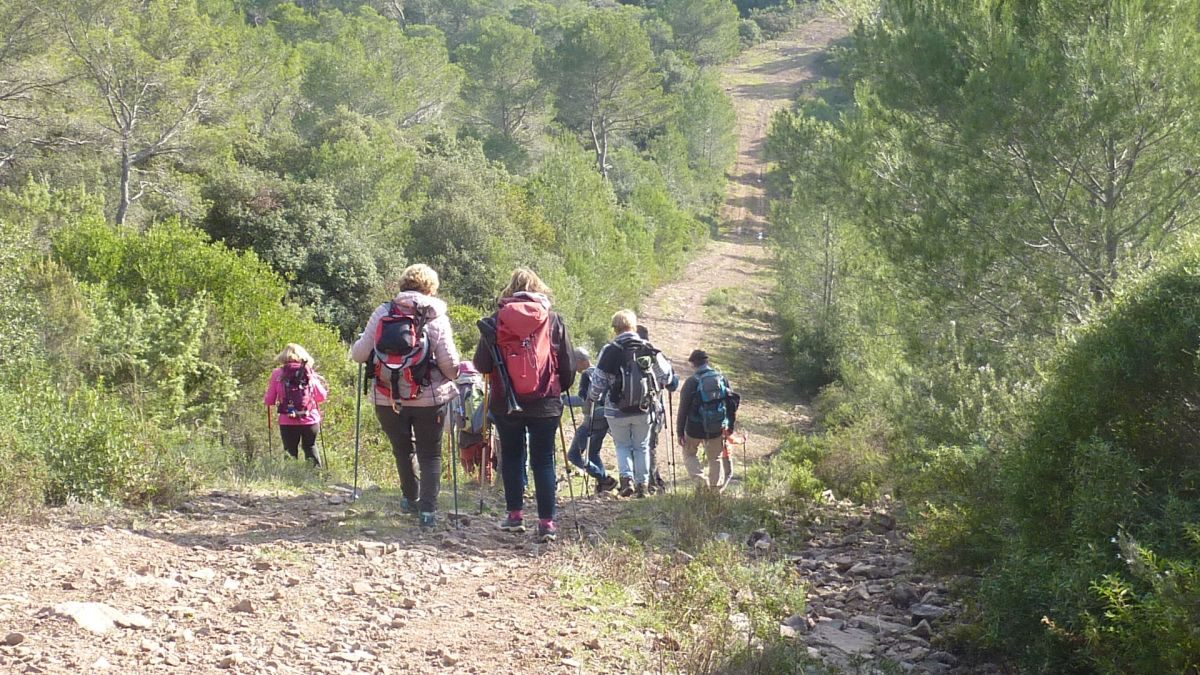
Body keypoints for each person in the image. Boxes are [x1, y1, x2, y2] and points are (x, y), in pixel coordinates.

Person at [351, 264, 460, 529]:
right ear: (431, 288)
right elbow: (449, 365)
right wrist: (456, 373)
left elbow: (359, 354)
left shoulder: (384, 312)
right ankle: (428, 512)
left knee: (402, 450)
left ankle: (410, 499)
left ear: (403, 284)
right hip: (429, 398)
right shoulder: (436, 316)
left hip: (387, 396)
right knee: (430, 454)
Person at [474, 268, 575, 542]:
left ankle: (515, 516)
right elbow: (567, 364)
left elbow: (481, 364)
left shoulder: (496, 320)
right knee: (543, 460)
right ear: (538, 289)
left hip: (506, 401)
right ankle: (546, 523)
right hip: (546, 402)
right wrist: (559, 388)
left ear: (510, 289)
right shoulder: (553, 319)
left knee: (512, 456)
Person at [588, 310, 674, 499]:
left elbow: (598, 383)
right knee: (641, 446)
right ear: (634, 326)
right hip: (644, 408)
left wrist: (592, 398)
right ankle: (642, 485)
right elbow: (666, 377)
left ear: (615, 328)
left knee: (622, 445)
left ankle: (627, 481)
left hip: (616, 409)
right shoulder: (647, 347)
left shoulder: (609, 350)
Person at [676, 350, 740, 491]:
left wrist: (680, 432)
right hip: (716, 427)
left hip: (694, 428)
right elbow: (732, 404)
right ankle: (715, 490)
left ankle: (701, 483)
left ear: (693, 364)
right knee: (715, 458)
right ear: (707, 361)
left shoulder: (691, 382)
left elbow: (683, 409)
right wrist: (730, 426)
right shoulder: (721, 379)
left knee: (689, 454)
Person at [264, 343, 328, 466]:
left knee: (290, 451)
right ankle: (316, 475)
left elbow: (270, 400)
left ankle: (291, 476)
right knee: (310, 446)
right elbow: (321, 397)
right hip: (310, 418)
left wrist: (270, 399)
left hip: (287, 419)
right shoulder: (308, 372)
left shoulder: (278, 373)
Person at [566, 347, 618, 493]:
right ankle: (603, 485)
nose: (574, 366)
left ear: (581, 361)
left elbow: (583, 400)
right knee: (593, 453)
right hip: (604, 419)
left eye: (574, 362)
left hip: (591, 421)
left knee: (573, 455)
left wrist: (562, 400)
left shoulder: (587, 376)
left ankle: (604, 478)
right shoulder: (601, 373)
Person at [636, 324, 678, 493]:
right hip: (652, 408)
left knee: (632, 445)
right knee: (649, 445)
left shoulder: (620, 351)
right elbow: (671, 384)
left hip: (625, 409)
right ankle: (652, 482)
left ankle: (637, 481)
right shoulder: (653, 353)